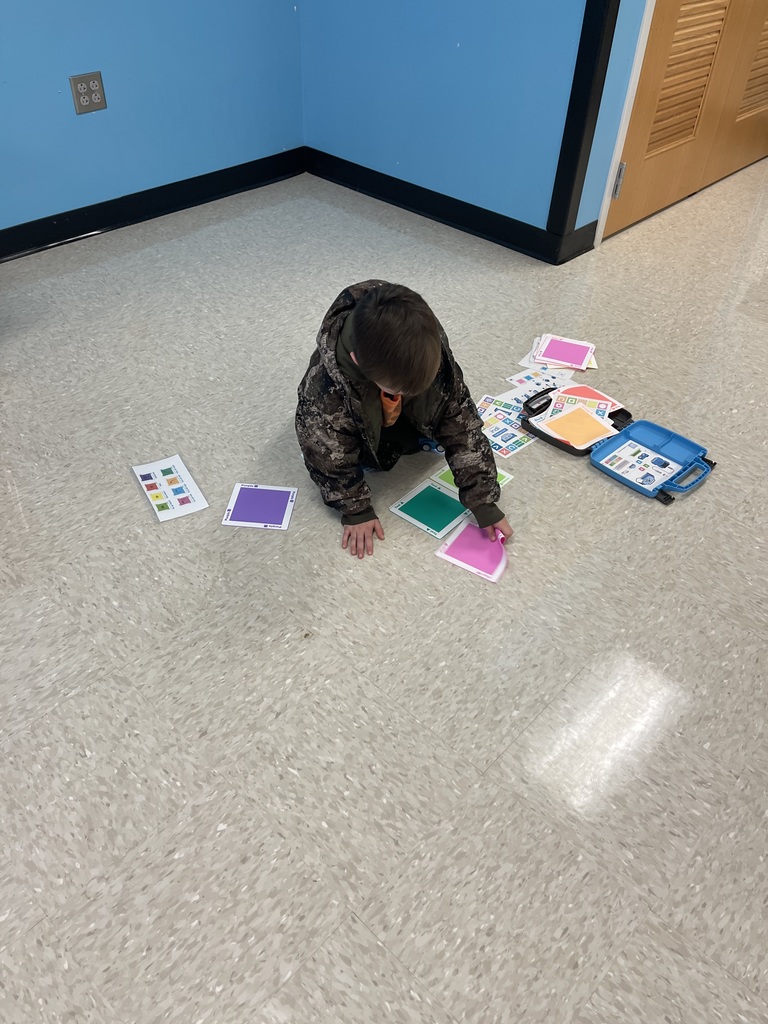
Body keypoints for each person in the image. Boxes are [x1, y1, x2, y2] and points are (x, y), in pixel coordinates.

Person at [295, 280, 513, 558]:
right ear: (358, 361)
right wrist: (356, 509)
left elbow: (460, 419)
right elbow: (326, 454)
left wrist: (483, 500)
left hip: (394, 407)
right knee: (345, 447)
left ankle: (405, 400)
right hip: (354, 424)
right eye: (397, 391)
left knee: (442, 408)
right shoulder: (325, 391)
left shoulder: (425, 344)